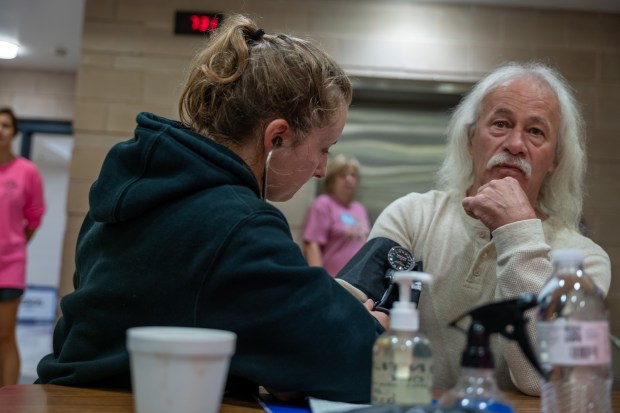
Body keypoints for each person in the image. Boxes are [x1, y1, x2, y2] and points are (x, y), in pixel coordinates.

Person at [35, 14, 388, 403]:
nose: (323, 168)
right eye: (323, 148)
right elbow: (366, 367)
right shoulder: (239, 226)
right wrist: (369, 327)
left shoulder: (133, 188)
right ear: (278, 138)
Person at [338, 62, 611, 396]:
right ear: (470, 139)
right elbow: (342, 322)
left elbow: (543, 379)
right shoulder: (411, 216)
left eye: (536, 131)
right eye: (500, 124)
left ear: (555, 158)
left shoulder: (582, 260)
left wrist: (517, 231)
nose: (515, 143)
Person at [0, 106, 46, 386]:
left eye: (5, 125)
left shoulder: (27, 172)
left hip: (10, 265)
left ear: (14, 132)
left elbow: (34, 217)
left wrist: (14, 245)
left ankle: (6, 400)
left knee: (4, 335)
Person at [303, 154, 370, 276]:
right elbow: (312, 246)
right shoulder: (323, 204)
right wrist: (320, 282)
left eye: (353, 175)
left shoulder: (359, 208)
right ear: (332, 180)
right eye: (343, 175)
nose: (349, 179)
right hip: (332, 282)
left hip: (357, 283)